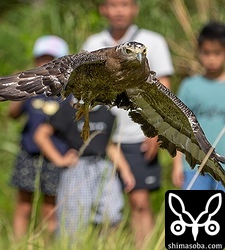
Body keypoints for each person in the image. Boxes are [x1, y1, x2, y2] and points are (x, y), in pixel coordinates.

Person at [81, 0, 174, 247]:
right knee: (100, 206)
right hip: (101, 136)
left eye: (125, 4)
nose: (119, 10)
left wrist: (156, 129)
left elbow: (163, 86)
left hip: (136, 133)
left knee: (140, 202)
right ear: (103, 9)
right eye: (113, 4)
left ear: (135, 8)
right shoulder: (93, 43)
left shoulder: (153, 42)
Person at [34, 97, 135, 236]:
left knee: (112, 215)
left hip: (103, 167)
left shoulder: (107, 112)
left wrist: (125, 170)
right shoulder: (68, 110)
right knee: (74, 219)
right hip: (78, 167)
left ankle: (102, 244)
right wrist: (59, 159)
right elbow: (41, 135)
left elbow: (109, 145)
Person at [9, 35, 71, 240]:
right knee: (24, 203)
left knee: (50, 206)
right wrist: (19, 90)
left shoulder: (67, 92)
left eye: (52, 60)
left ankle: (46, 243)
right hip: (29, 152)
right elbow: (12, 114)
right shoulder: (29, 87)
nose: (45, 64)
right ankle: (18, 243)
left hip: (56, 155)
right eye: (41, 59)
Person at [172, 21, 225, 191]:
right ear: (199, 52)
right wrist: (177, 165)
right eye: (206, 52)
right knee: (195, 216)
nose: (211, 58)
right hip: (194, 166)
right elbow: (179, 127)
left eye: (217, 53)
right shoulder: (189, 86)